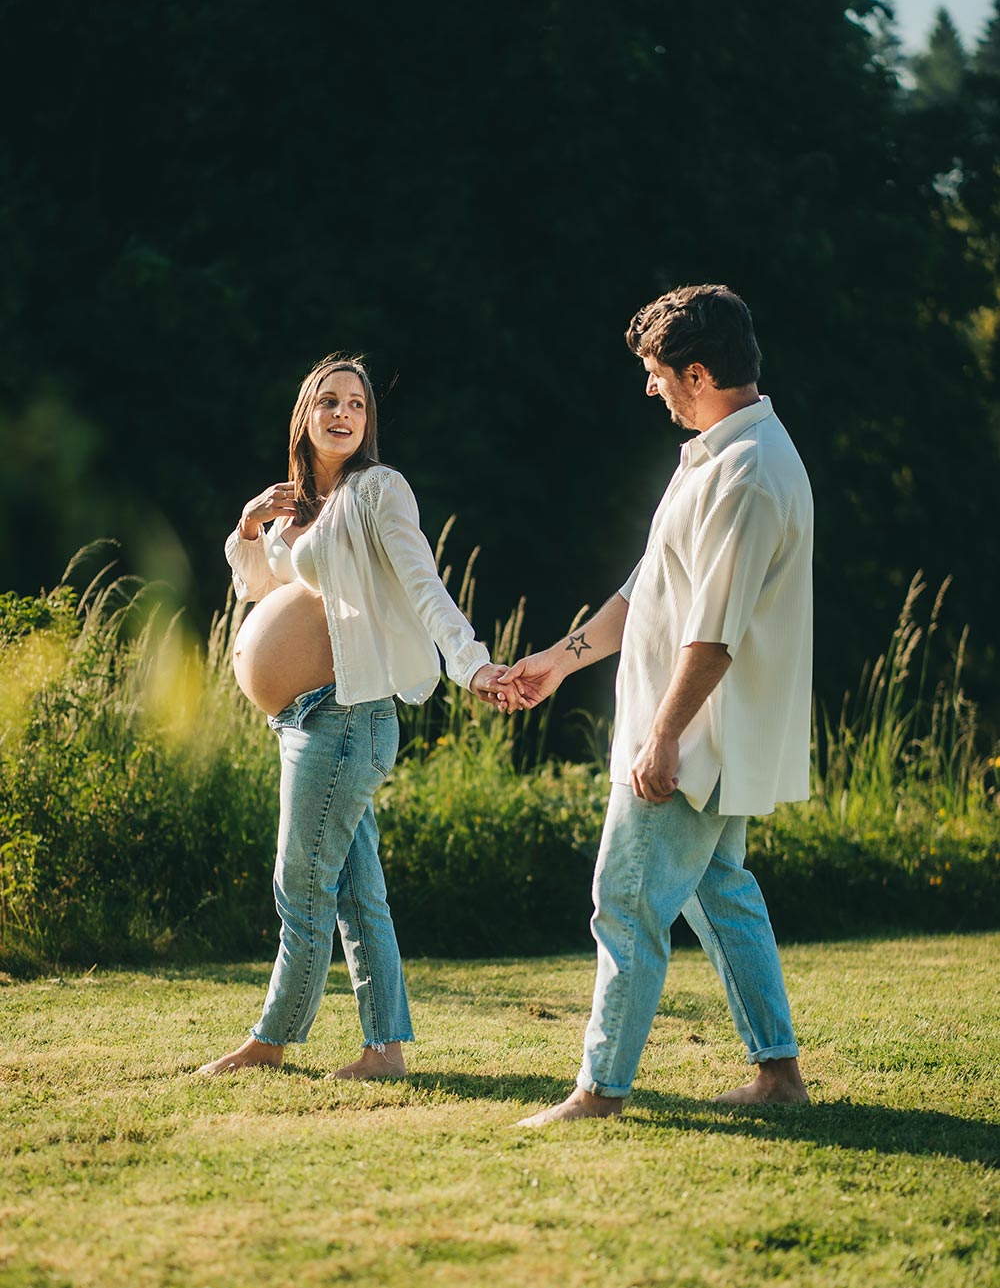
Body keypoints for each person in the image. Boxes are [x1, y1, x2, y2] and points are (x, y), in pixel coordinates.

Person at [496, 285, 813, 1123]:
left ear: (699, 372)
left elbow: (712, 637)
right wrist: (558, 662)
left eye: (657, 373)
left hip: (695, 741)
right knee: (722, 895)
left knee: (626, 901)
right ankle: (778, 1075)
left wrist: (662, 738)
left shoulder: (748, 475)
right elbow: (646, 595)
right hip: (693, 736)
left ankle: (599, 1092)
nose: (651, 388)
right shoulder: (713, 456)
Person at [198, 354, 505, 1078]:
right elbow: (257, 591)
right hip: (304, 721)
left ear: (367, 423)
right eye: (328, 401)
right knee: (358, 895)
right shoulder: (294, 511)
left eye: (357, 405)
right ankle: (385, 1050)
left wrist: (473, 664)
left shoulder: (377, 491)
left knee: (299, 882)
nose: (343, 414)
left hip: (346, 716)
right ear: (305, 415)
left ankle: (271, 1041)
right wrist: (248, 526)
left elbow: (424, 583)